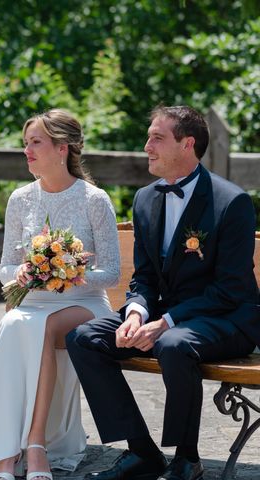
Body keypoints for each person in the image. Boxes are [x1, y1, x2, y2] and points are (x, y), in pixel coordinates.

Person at [66, 105, 260, 480]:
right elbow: (144, 277)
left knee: (173, 344)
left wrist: (164, 322)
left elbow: (231, 288)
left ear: (187, 144)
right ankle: (141, 452)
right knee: (85, 337)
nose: (147, 146)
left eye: (157, 138)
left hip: (227, 318)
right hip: (165, 317)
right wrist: (137, 312)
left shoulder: (230, 202)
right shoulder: (145, 199)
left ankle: (187, 459)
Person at [0, 109, 120, 480]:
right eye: (25, 143)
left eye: (35, 142)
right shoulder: (20, 199)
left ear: (62, 148)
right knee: (16, 322)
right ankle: (5, 456)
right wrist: (22, 272)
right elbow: (5, 268)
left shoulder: (94, 199)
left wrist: (71, 273)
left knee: (34, 326)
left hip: (84, 305)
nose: (27, 151)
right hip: (33, 303)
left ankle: (35, 444)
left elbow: (112, 274)